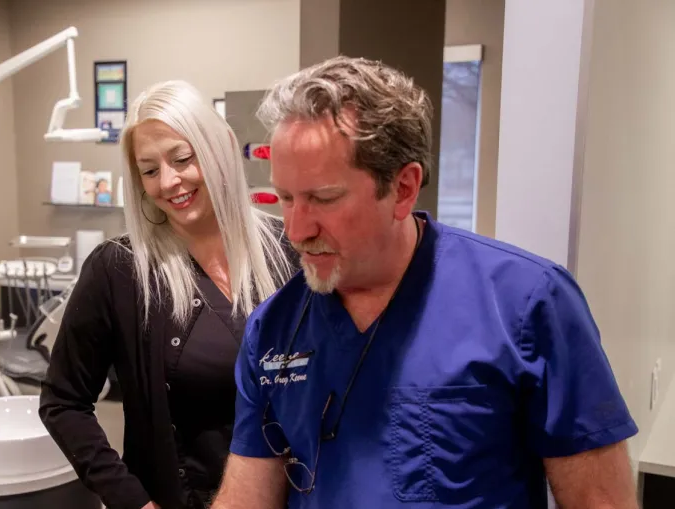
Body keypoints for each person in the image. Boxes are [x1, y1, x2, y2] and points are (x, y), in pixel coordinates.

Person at [211, 56, 639, 509]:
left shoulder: (527, 304)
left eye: (323, 199)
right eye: (285, 199)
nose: (296, 230)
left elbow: (602, 502)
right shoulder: (275, 327)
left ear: (403, 188)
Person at [40, 80, 298, 509]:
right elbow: (63, 402)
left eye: (182, 158)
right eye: (149, 170)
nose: (169, 182)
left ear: (221, 147)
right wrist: (130, 499)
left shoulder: (287, 248)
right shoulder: (120, 270)